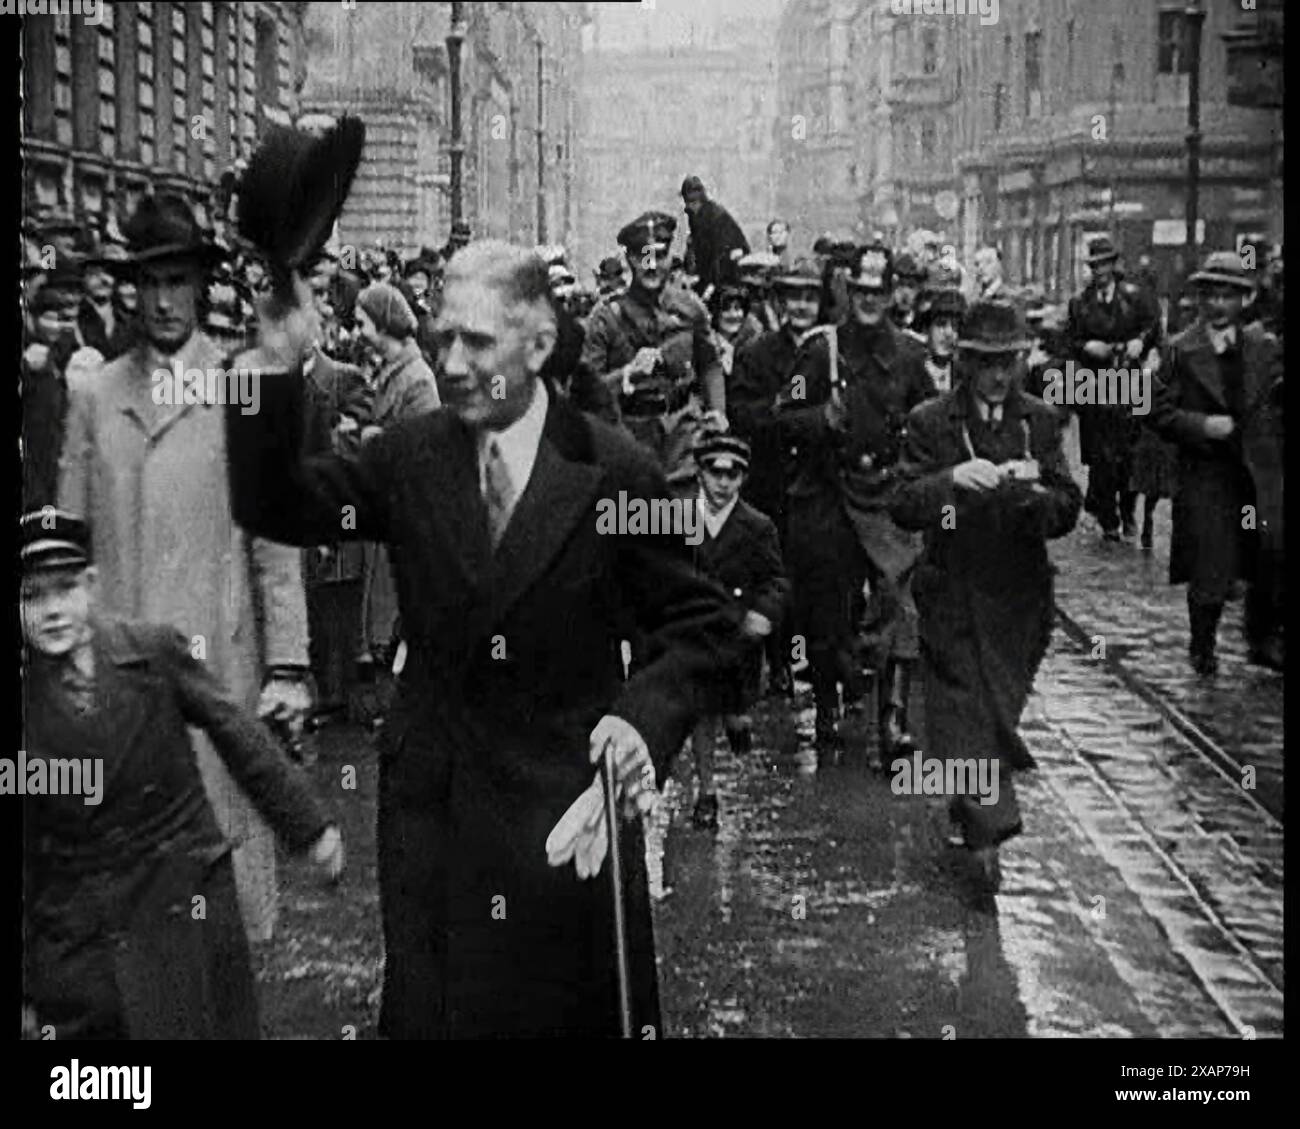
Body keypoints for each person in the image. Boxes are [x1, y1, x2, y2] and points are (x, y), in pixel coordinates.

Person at [225, 238, 739, 1039]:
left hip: (569, 821)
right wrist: (267, 367)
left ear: (537, 344)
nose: (454, 364)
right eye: (442, 340)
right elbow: (277, 502)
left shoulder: (615, 472)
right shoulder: (409, 458)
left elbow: (702, 624)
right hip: (439, 820)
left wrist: (644, 723)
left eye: (477, 341)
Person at [58, 194, 314, 943]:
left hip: (214, 676)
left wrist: (290, 664)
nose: (163, 300)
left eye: (177, 280)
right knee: (124, 920)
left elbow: (273, 545)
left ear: (201, 285)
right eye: (148, 282)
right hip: (115, 681)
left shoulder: (241, 388)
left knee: (217, 906)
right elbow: (66, 545)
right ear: (128, 290)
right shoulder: (93, 397)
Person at [19, 509, 343, 1040]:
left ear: (92, 586)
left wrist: (309, 828)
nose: (53, 610)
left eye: (66, 589)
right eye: (33, 596)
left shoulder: (152, 653)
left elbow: (236, 732)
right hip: (84, 941)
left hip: (182, 899)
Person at [892, 301, 1082, 895]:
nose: (999, 375)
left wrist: (1033, 496)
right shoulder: (930, 422)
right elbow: (901, 503)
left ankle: (967, 801)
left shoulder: (1041, 422)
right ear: (967, 363)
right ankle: (986, 833)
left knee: (996, 712)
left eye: (1009, 363)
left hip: (1020, 601)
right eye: (987, 363)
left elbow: (1067, 507)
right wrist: (952, 482)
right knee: (965, 707)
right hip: (951, 590)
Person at [1151, 251, 1284, 674]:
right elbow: (1155, 410)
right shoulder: (1179, 350)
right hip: (1207, 472)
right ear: (1201, 299)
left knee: (1263, 552)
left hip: (1256, 471)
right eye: (1212, 295)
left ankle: (1261, 639)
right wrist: (1202, 424)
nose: (1220, 304)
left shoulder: (1262, 347)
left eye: (1230, 296)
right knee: (1211, 558)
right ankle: (1202, 643)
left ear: (1244, 300)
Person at [728, 257, 827, 700]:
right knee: (772, 571)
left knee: (810, 573)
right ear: (780, 301)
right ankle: (779, 659)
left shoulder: (831, 352)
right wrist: (780, 412)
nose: (802, 306)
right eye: (794, 297)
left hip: (816, 480)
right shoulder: (758, 353)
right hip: (770, 479)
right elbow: (740, 414)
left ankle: (806, 656)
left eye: (810, 297)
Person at [685, 430, 789, 830]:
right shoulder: (677, 519)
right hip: (696, 633)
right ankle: (706, 790)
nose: (723, 483)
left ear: (743, 478)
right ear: (700, 474)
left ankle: (737, 716)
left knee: (734, 706)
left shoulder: (757, 526)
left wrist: (764, 613)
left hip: (740, 638)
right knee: (700, 710)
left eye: (733, 475)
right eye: (715, 473)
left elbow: (777, 580)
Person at [579, 210, 727, 488]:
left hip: (683, 440)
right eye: (642, 256)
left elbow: (710, 364)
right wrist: (626, 374)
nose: (651, 265)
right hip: (629, 438)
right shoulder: (606, 317)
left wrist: (718, 411)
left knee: (682, 524)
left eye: (659, 256)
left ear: (670, 258)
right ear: (629, 260)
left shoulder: (690, 308)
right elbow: (585, 392)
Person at [1066, 235, 1161, 543]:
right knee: (1100, 456)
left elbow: (1154, 328)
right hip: (1095, 385)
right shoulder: (1080, 304)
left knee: (1130, 452)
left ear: (1114, 265)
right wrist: (1087, 347)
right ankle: (1108, 517)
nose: (1100, 271)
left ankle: (1128, 511)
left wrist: (1140, 343)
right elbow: (1070, 342)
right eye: (1095, 266)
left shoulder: (1135, 297)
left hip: (1131, 381)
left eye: (1105, 264)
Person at [680, 174, 749, 299]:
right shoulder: (695, 215)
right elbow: (695, 246)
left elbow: (721, 253)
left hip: (727, 274)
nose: (687, 207)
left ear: (698, 201)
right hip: (707, 274)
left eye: (690, 202)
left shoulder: (716, 217)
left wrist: (712, 285)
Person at [915, 286, 966, 398]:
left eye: (955, 327)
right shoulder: (912, 371)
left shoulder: (963, 378)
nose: (948, 333)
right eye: (941, 324)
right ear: (927, 329)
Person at [889, 253, 928, 339]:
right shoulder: (887, 315)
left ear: (919, 289)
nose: (905, 291)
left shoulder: (924, 319)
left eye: (911, 286)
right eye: (901, 285)